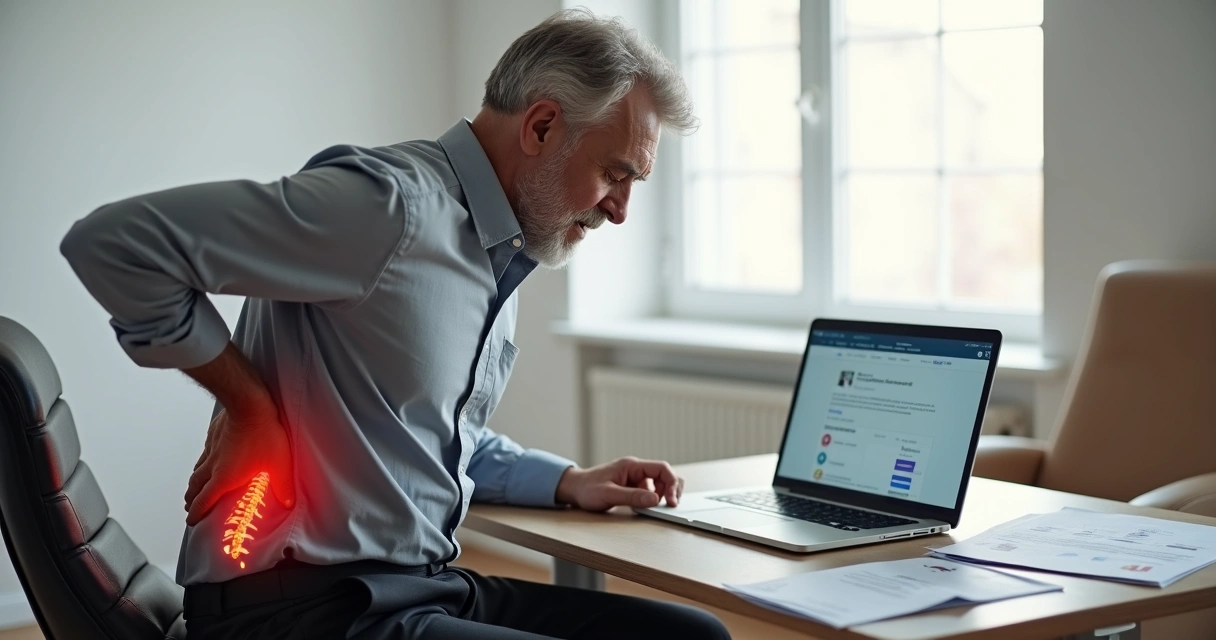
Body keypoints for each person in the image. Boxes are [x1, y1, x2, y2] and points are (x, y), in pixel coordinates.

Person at [60, 9, 730, 640]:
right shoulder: (387, 207)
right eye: (617, 175)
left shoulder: (496, 249)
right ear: (543, 128)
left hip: (414, 587)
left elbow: (421, 437)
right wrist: (250, 406)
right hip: (295, 608)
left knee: (692, 634)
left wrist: (569, 480)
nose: (621, 212)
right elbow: (115, 245)